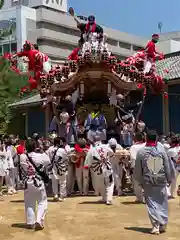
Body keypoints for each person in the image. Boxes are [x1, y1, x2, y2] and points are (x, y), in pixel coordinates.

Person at [134, 130, 175, 234]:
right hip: (161, 180)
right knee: (162, 202)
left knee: (151, 203)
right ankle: (163, 224)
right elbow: (167, 166)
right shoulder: (161, 151)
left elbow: (138, 169)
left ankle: (155, 225)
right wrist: (169, 178)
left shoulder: (141, 152)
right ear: (156, 139)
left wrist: (139, 181)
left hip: (148, 180)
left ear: (146, 138)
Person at [20, 139, 50, 230]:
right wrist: (41, 150)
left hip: (27, 182)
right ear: (35, 147)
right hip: (38, 181)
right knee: (42, 202)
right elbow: (48, 161)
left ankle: (30, 222)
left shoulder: (22, 156)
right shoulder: (40, 156)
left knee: (29, 202)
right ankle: (39, 220)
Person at [85, 136, 114, 205]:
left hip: (98, 170)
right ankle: (108, 199)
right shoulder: (106, 147)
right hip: (107, 169)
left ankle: (104, 198)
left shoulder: (91, 150)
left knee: (101, 185)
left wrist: (88, 167)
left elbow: (87, 163)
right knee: (109, 184)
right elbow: (112, 153)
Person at [46, 137, 69, 201]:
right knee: (62, 182)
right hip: (61, 167)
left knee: (54, 182)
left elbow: (46, 156)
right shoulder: (62, 150)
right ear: (59, 143)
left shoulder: (50, 149)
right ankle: (61, 196)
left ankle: (55, 195)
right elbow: (66, 158)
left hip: (53, 167)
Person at [130, 132, 145, 203]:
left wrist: (132, 167)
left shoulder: (133, 147)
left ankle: (139, 198)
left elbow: (133, 158)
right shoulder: (145, 145)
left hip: (137, 166)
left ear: (135, 139)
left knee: (136, 183)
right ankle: (144, 198)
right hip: (146, 166)